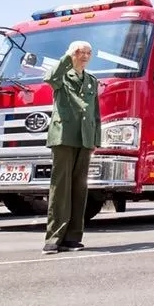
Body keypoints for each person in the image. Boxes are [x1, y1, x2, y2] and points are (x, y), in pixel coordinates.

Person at [42, 40, 101, 255]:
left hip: (84, 138)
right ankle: (54, 238)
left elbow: (95, 112)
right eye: (79, 52)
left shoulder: (92, 81)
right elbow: (49, 78)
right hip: (64, 137)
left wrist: (95, 139)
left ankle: (73, 237)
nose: (84, 56)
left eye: (88, 53)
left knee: (79, 188)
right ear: (70, 54)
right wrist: (67, 58)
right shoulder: (61, 76)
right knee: (60, 188)